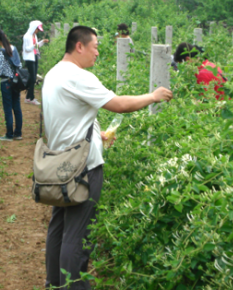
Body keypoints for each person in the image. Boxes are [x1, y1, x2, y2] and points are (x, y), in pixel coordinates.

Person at [42, 26, 173, 290]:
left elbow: (64, 118)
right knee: (77, 235)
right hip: (83, 168)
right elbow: (120, 104)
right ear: (79, 46)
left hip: (59, 164)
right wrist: (153, 96)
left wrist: (94, 133)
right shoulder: (79, 76)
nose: (98, 53)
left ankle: (54, 284)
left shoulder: (54, 74)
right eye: (95, 46)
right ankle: (74, 287)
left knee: (58, 227)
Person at [22, 20, 49, 106]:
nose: (37, 31)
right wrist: (35, 45)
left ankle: (28, 97)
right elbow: (27, 49)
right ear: (33, 28)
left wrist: (42, 42)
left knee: (32, 78)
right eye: (37, 29)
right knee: (33, 78)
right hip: (29, 58)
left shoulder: (34, 36)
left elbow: (36, 46)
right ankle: (31, 98)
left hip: (34, 56)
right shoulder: (27, 36)